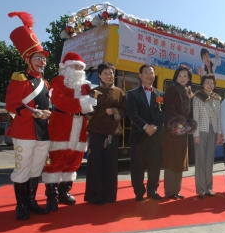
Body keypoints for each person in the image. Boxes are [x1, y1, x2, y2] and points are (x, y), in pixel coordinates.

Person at [5, 11, 51, 220]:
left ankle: (32, 201)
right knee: (22, 170)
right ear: (28, 59)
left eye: (43, 58)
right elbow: (12, 105)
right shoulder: (19, 80)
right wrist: (35, 113)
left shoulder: (46, 83)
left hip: (43, 133)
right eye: (38, 58)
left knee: (36, 169)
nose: (42, 61)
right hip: (24, 132)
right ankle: (21, 205)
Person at [42, 52, 96, 210]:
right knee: (55, 160)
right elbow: (59, 101)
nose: (79, 69)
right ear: (66, 67)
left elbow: (88, 105)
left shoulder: (86, 85)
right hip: (61, 124)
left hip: (80, 126)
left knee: (74, 160)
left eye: (81, 67)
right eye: (75, 66)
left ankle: (64, 192)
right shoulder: (58, 81)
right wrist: (82, 103)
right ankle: (51, 196)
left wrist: (91, 105)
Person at [84, 62, 126, 205]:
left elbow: (124, 111)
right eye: (106, 73)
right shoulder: (93, 91)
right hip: (95, 132)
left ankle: (109, 195)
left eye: (111, 73)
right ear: (99, 75)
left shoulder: (119, 92)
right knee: (95, 164)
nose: (109, 76)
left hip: (112, 133)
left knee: (111, 164)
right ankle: (95, 196)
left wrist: (114, 112)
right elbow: (88, 112)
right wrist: (89, 111)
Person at [127, 65, 166, 202]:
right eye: (145, 72)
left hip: (155, 135)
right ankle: (139, 192)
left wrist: (154, 126)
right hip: (139, 135)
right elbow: (132, 113)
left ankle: (152, 190)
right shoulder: (132, 94)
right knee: (138, 165)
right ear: (140, 75)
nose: (149, 75)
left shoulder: (161, 95)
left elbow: (163, 114)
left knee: (154, 165)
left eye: (151, 73)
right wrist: (145, 126)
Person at [162, 66, 197, 199]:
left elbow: (192, 112)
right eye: (180, 76)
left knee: (181, 160)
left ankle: (176, 190)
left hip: (184, 131)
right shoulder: (171, 89)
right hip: (173, 130)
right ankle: (169, 191)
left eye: (185, 76)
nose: (182, 78)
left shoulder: (190, 92)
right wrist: (179, 123)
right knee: (172, 160)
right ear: (176, 77)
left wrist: (188, 125)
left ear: (189, 78)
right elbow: (170, 108)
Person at [193, 74, 222, 199]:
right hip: (201, 130)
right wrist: (196, 134)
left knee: (210, 160)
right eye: (207, 83)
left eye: (212, 83)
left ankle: (209, 188)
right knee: (201, 160)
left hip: (213, 131)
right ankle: (201, 189)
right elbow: (195, 117)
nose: (210, 85)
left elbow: (219, 118)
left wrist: (219, 133)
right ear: (202, 84)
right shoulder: (197, 97)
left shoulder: (216, 98)